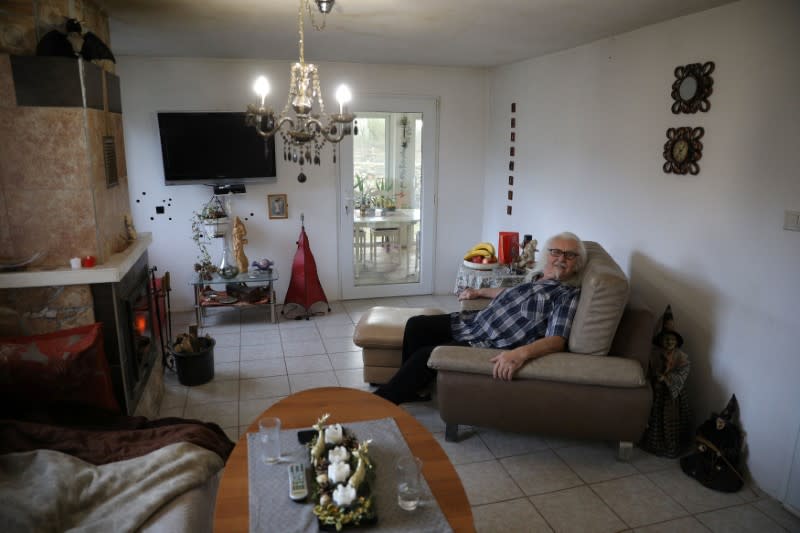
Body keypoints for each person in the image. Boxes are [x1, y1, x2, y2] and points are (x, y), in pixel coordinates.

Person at [374, 231, 586, 405]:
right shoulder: (538, 276)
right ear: (546, 255)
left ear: (577, 263)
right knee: (416, 324)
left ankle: (381, 402)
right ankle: (411, 388)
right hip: (475, 322)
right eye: (556, 252)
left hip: (489, 341)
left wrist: (520, 354)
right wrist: (479, 292)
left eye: (569, 255)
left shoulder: (566, 294)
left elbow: (557, 340)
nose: (561, 259)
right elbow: (508, 293)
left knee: (425, 355)